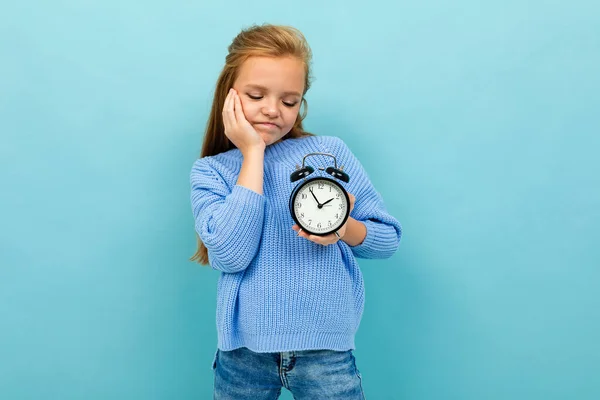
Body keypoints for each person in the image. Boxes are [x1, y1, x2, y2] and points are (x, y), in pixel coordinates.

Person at [189, 23, 402, 399]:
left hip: (327, 350)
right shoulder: (212, 171)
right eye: (256, 95)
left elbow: (387, 239)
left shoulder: (329, 153)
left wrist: (343, 229)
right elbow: (230, 255)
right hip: (243, 355)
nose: (273, 110)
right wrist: (252, 153)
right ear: (229, 96)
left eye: (289, 101)